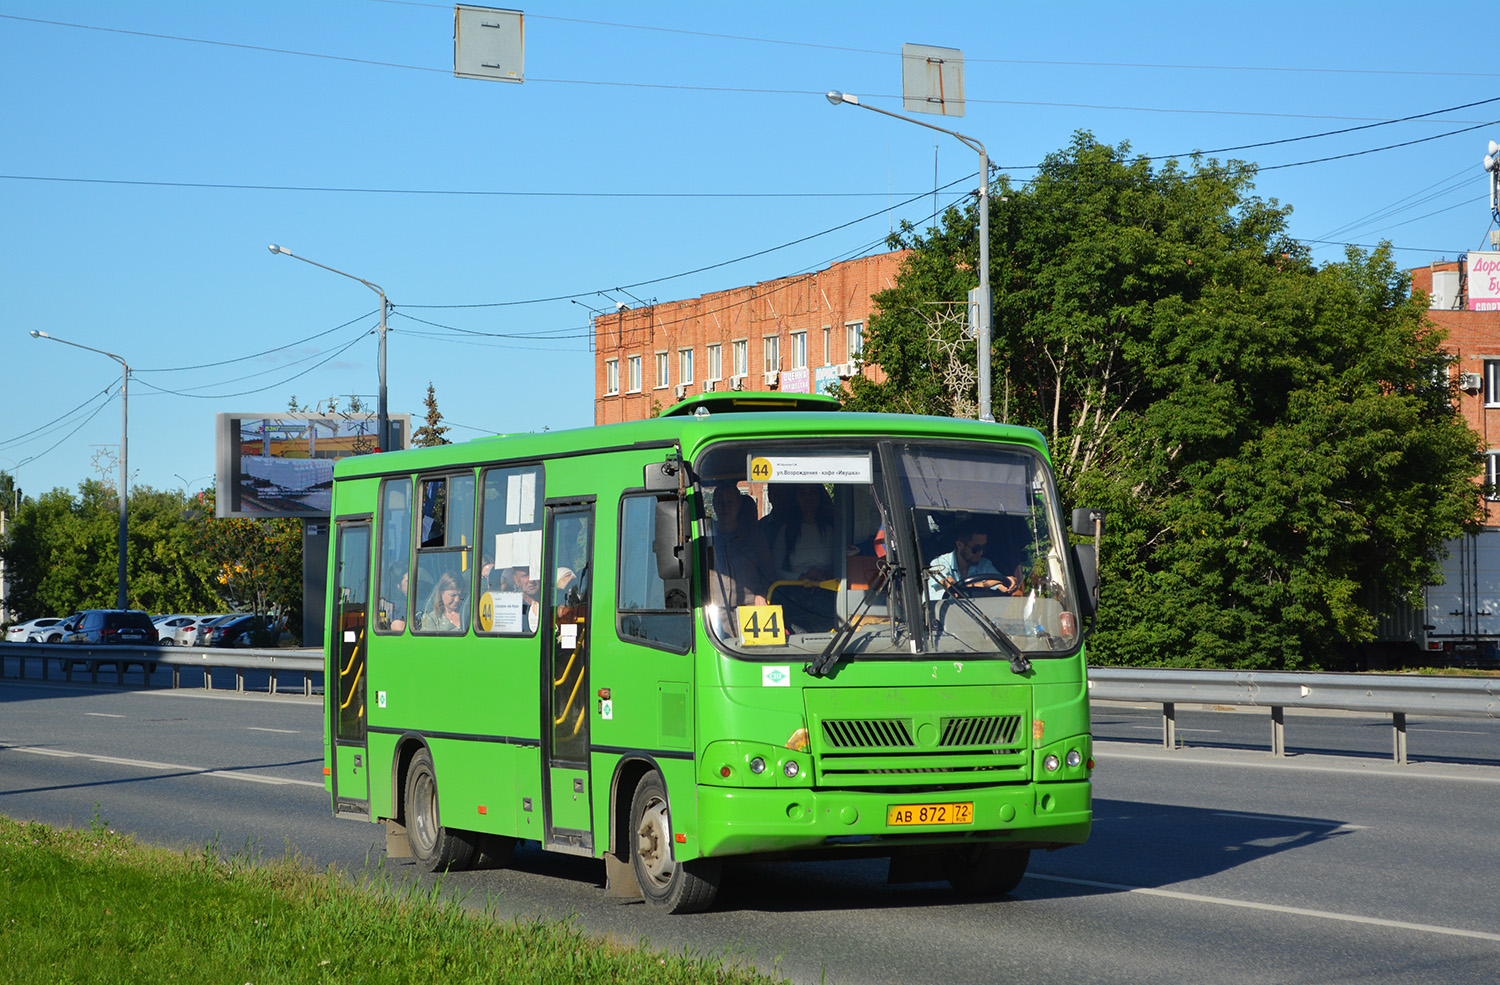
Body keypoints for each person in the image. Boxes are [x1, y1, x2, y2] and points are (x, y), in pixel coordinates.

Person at [710, 482, 775, 610]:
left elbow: (769, 572)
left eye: (730, 502)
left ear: (739, 505)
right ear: (714, 506)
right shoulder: (706, 534)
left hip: (750, 605)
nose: (725, 507)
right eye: (720, 502)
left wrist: (762, 594)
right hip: (714, 610)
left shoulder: (754, 535)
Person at [927, 521, 1019, 599]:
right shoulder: (939, 564)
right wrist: (985, 584)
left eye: (984, 548)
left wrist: (1010, 583)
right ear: (960, 545)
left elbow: (1002, 585)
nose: (981, 553)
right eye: (976, 549)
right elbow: (952, 588)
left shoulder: (984, 564)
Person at [379, 565, 409, 633]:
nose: (413, 583)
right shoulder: (391, 604)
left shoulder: (417, 602)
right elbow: (397, 627)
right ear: (398, 585)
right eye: (407, 581)